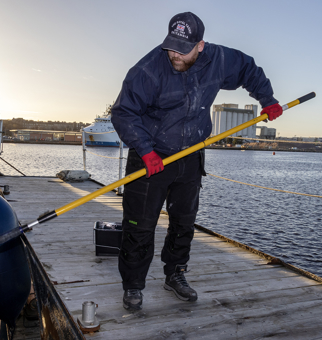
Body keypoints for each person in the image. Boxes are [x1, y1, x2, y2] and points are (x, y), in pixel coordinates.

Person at [111, 11, 283, 310]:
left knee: (184, 222)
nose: (175, 54)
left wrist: (266, 99)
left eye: (183, 49)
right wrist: (146, 150)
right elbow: (123, 113)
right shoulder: (148, 70)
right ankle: (133, 285)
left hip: (190, 153)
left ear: (200, 45)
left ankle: (175, 274)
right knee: (139, 224)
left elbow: (249, 69)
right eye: (171, 46)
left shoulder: (218, 59)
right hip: (150, 155)